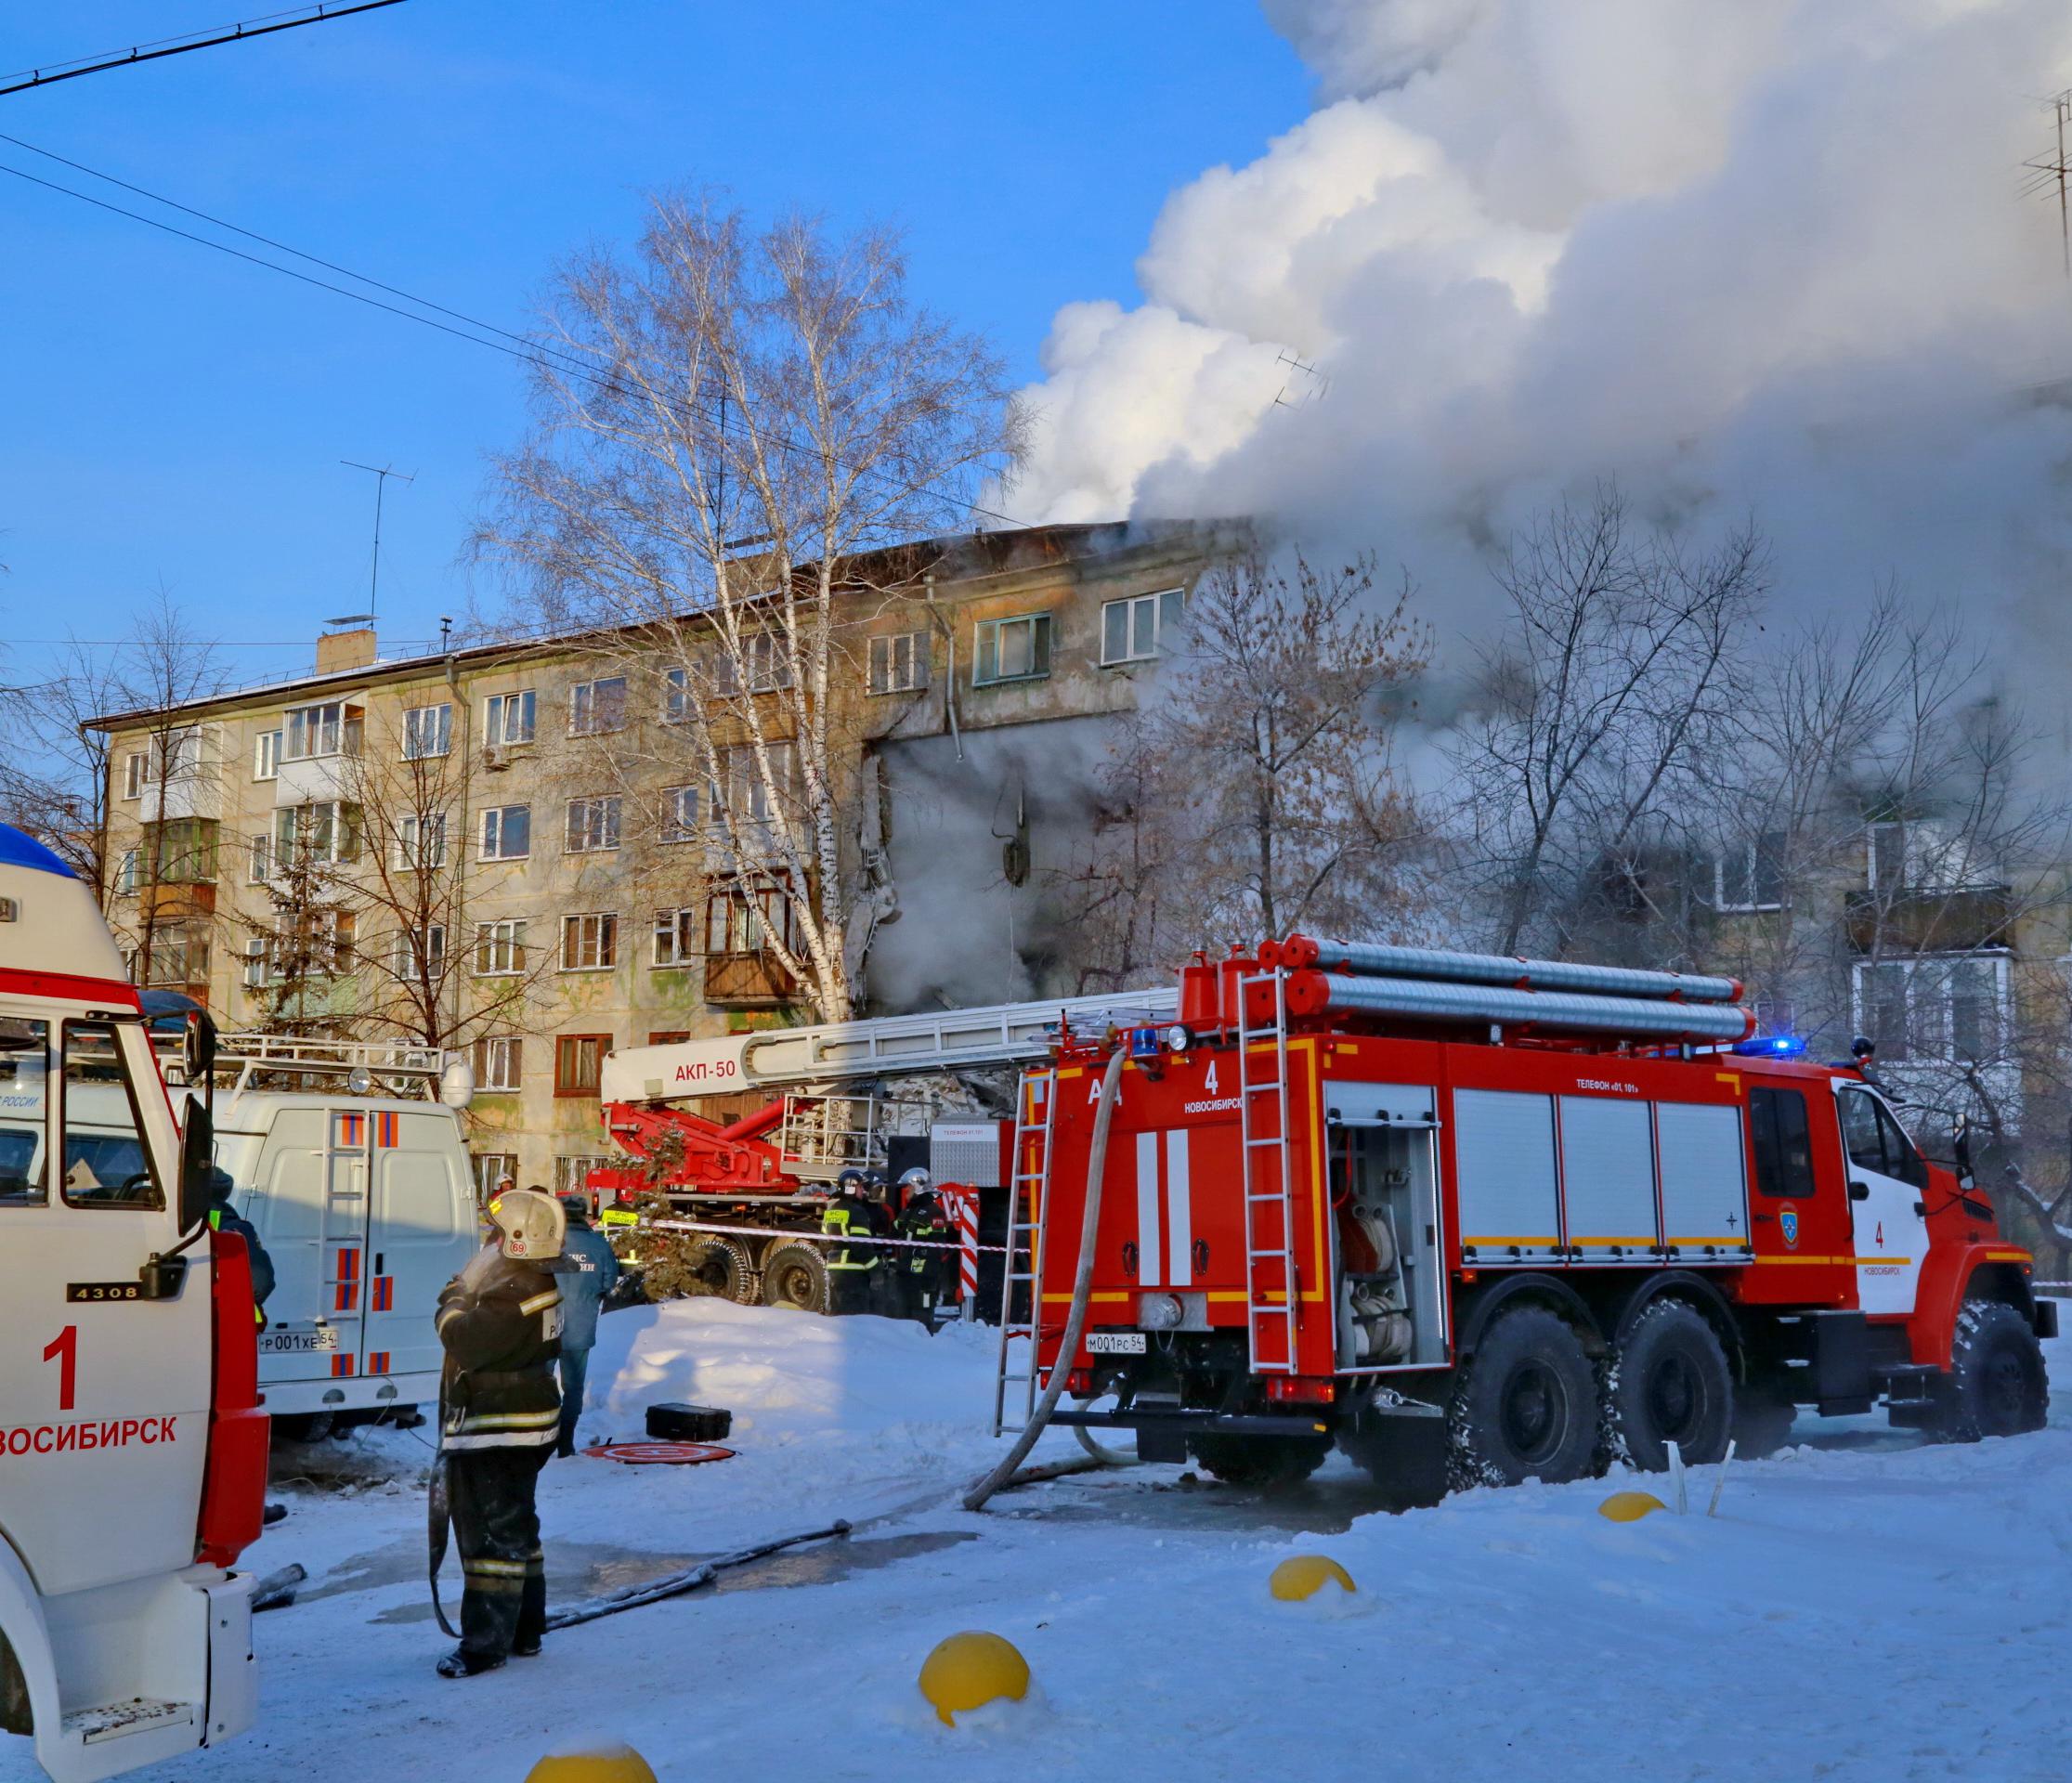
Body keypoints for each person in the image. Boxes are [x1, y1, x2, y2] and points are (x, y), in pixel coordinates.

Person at [433, 1187, 567, 1678]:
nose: (487, 1240)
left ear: (515, 1238)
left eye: (494, 1232)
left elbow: (462, 1337)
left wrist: (453, 1296)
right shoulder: (532, 1279)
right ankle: (526, 1631)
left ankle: (484, 1646)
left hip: (501, 1429)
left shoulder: (515, 1293)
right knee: (517, 1529)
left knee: (490, 1538)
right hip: (523, 1424)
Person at [208, 1167, 289, 1524]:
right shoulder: (233, 1225)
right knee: (233, 1423)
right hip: (226, 1337)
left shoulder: (165, 1217)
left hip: (177, 1335)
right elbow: (260, 1279)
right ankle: (239, 1506)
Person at [554, 1194, 619, 1458]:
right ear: (584, 1214)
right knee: (573, 1389)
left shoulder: (549, 1243)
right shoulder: (599, 1245)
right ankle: (565, 1443)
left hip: (544, 1328)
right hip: (580, 1326)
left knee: (540, 1384)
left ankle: (538, 1440)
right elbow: (608, 1282)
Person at [822, 1165, 893, 1316]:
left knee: (838, 1315)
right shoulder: (857, 1212)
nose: (863, 1190)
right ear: (850, 1188)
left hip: (835, 1272)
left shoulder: (831, 1210)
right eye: (860, 1187)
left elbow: (823, 1244)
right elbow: (862, 1246)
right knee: (856, 1322)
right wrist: (875, 1271)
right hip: (854, 1274)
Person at [891, 1166, 954, 1329]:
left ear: (918, 1188)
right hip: (906, 1276)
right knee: (903, 1316)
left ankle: (925, 1347)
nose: (905, 1192)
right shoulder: (908, 1212)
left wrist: (927, 1276)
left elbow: (937, 1248)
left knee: (923, 1314)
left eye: (909, 1188)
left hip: (925, 1279)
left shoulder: (934, 1213)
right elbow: (895, 1233)